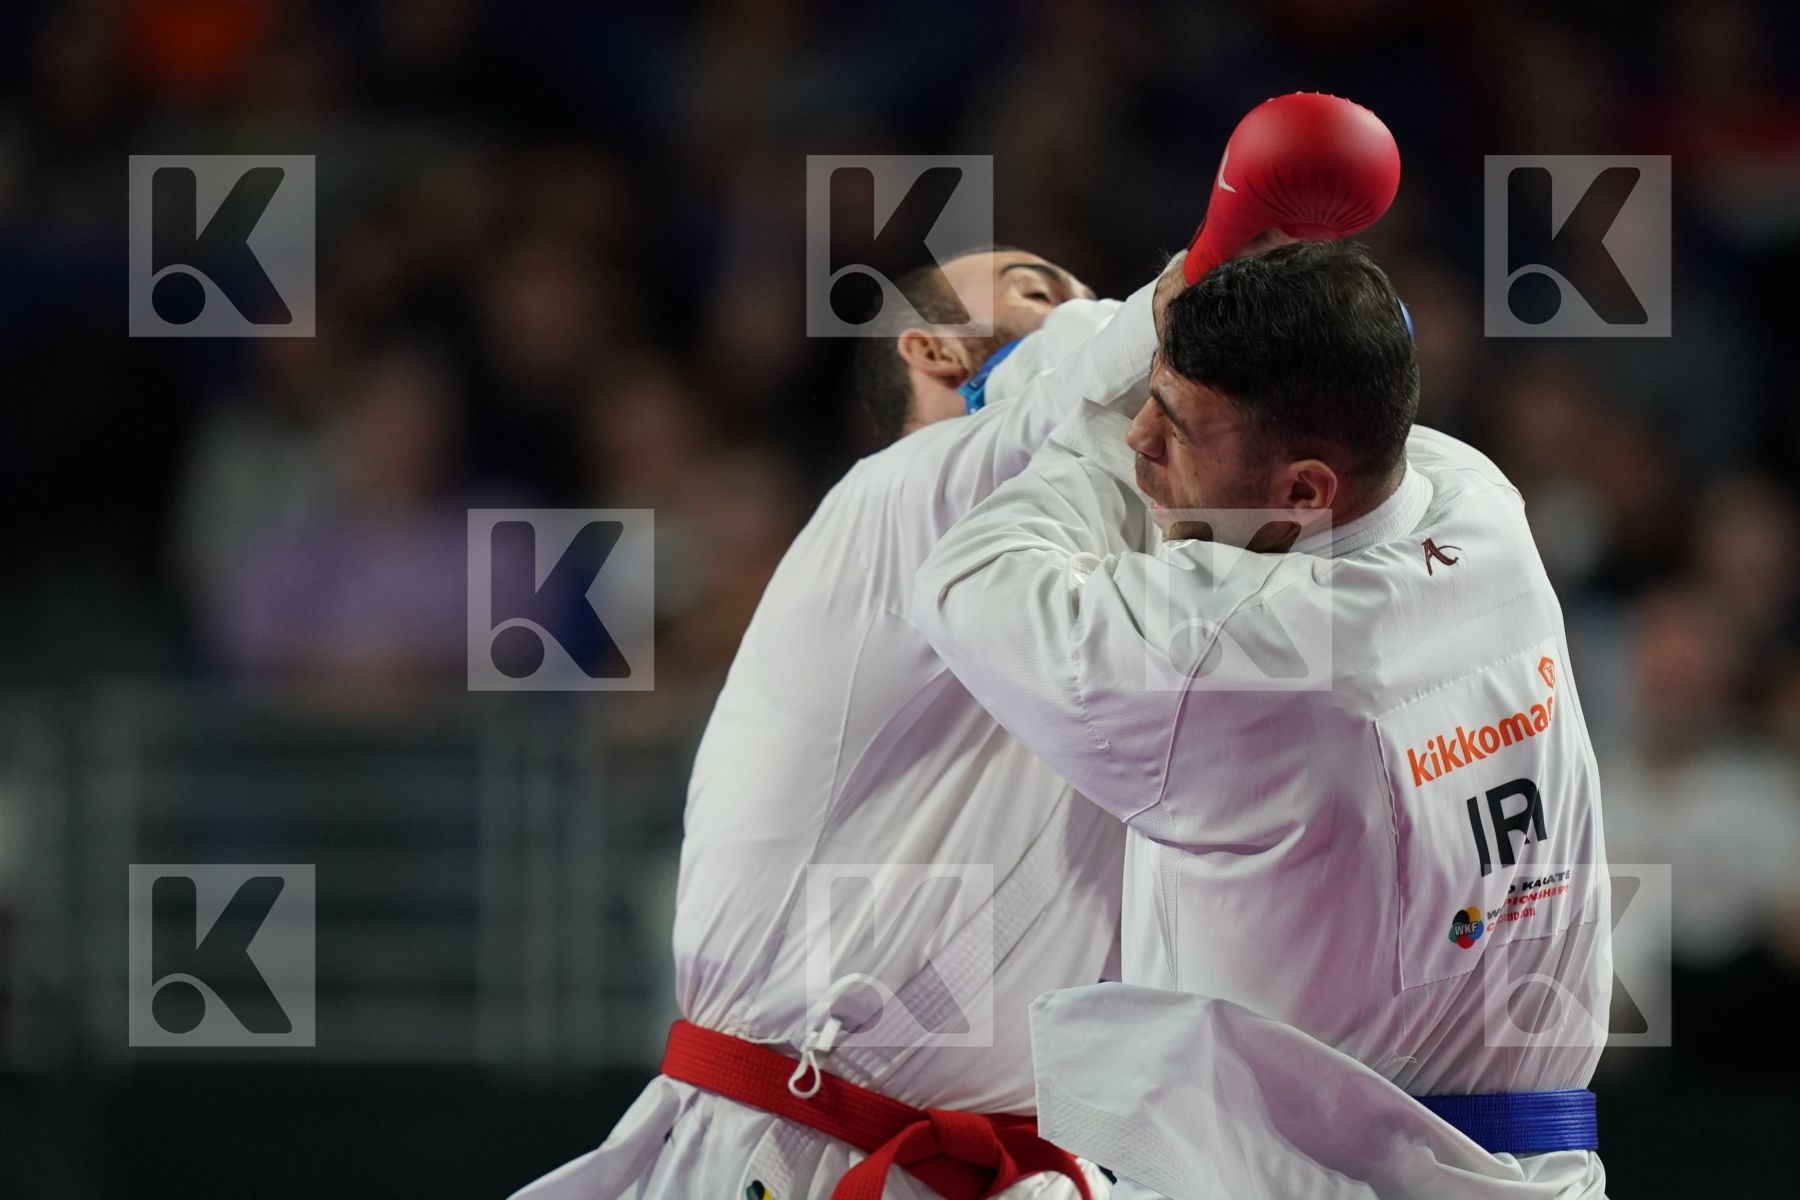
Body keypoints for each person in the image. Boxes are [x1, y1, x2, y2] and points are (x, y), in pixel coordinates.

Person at [912, 241, 1612, 1199]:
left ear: (1303, 492)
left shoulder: (1242, 662)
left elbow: (966, 581)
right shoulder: (1478, 503)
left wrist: (1077, 381)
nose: (1139, 444)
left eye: (1175, 426)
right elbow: (1364, 369)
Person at [510, 245, 1164, 1200]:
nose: (1086, 307)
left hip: (1021, 1171)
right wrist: (1237, 254)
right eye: (1039, 290)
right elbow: (1066, 413)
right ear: (936, 350)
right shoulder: (889, 501)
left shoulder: (1143, 572)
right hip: (786, 1148)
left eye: (1095, 301)